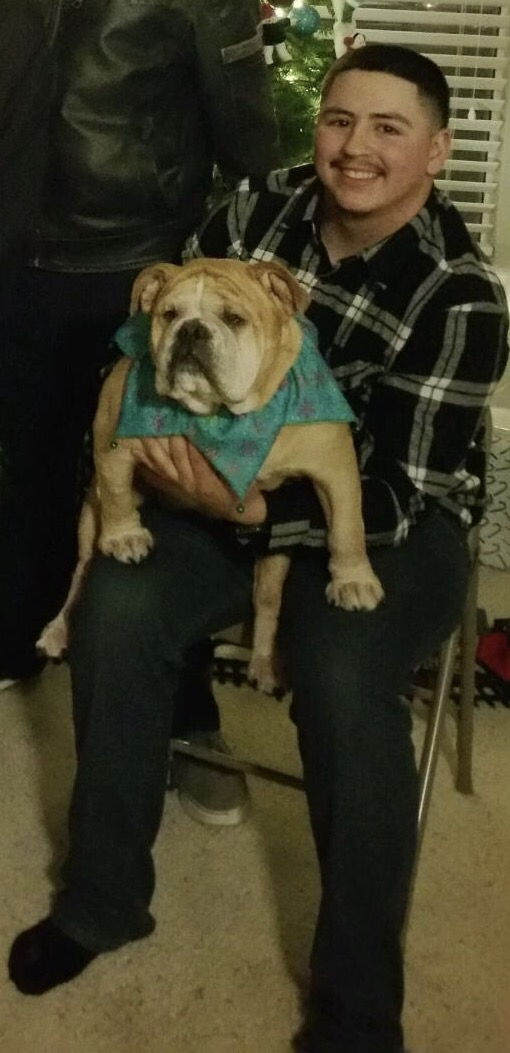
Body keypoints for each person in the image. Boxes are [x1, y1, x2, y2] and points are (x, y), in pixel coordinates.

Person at [8, 43, 509, 1053]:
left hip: (388, 525)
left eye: (388, 128)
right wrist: (167, 472)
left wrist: (251, 517)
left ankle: (357, 1007)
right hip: (217, 482)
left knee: (342, 669)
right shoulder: (252, 215)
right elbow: (153, 361)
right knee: (117, 608)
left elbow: (405, 488)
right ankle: (103, 899)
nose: (354, 147)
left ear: (436, 150)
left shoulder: (460, 291)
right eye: (338, 120)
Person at [0, 0, 279, 692]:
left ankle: (182, 701)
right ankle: (24, 633)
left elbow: (249, 133)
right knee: (31, 456)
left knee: (166, 466)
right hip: (18, 250)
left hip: (137, 260)